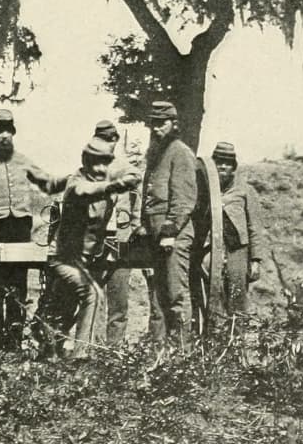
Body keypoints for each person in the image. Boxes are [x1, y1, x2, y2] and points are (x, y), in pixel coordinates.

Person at [0, 109, 66, 350]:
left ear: (13, 134)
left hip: (19, 226)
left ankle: (14, 341)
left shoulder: (23, 161)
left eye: (7, 131)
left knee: (18, 283)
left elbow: (48, 182)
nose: (3, 136)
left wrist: (72, 180)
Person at [37, 136, 137, 360]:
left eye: (105, 162)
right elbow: (86, 192)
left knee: (67, 303)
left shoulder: (106, 180)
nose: (101, 167)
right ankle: (78, 354)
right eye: (96, 162)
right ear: (86, 161)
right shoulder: (76, 182)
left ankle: (60, 350)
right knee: (89, 295)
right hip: (64, 258)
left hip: (85, 258)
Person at [93, 120, 160, 345]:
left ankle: (119, 346)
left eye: (139, 149)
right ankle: (99, 346)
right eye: (131, 148)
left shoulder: (144, 175)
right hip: (102, 243)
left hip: (130, 243)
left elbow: (142, 211)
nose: (135, 153)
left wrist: (139, 234)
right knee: (99, 298)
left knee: (122, 300)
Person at [143, 101, 198, 351]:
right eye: (153, 123)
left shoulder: (180, 152)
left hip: (174, 235)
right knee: (158, 295)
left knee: (177, 294)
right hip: (156, 235)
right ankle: (158, 352)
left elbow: (184, 199)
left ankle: (183, 354)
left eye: (161, 123)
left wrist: (169, 231)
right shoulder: (156, 155)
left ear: (174, 124)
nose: (156, 128)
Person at [206, 142, 266, 318]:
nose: (223, 167)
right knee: (211, 296)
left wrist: (255, 260)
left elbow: (254, 227)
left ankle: (237, 333)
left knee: (237, 297)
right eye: (219, 162)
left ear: (233, 167)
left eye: (227, 163)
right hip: (210, 251)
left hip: (237, 251)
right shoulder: (205, 190)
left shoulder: (245, 191)